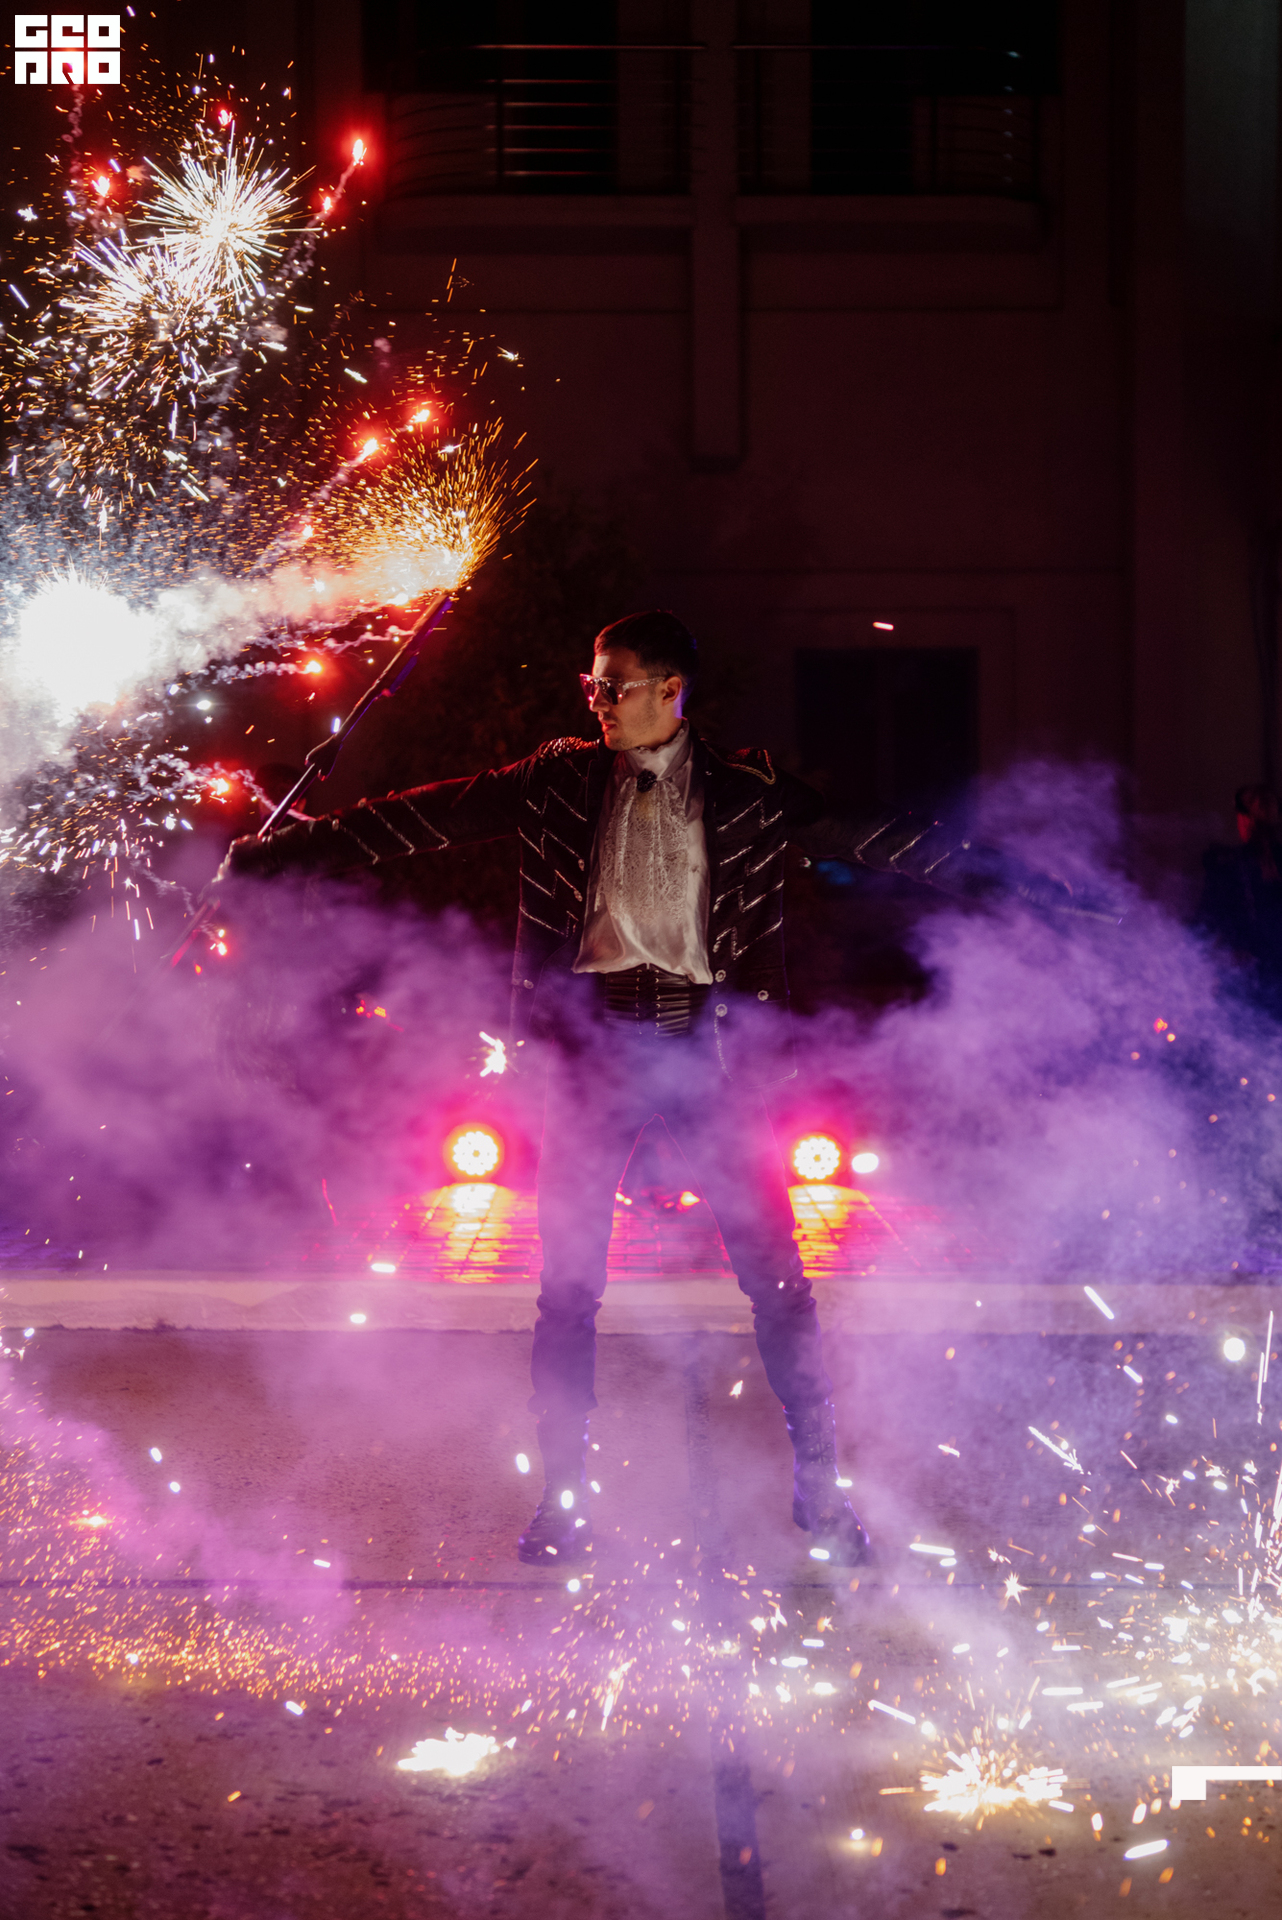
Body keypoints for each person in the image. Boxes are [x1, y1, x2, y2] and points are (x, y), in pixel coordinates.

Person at [219, 610, 1061, 1568]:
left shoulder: (746, 791)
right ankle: (562, 1503)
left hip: (713, 1055)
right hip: (595, 1050)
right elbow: (420, 819)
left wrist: (1031, 884)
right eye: (592, 685)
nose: (597, 701)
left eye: (613, 685)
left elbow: (882, 839)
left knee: (779, 1285)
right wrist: (281, 854)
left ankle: (821, 1494)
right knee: (567, 1292)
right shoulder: (555, 781)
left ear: (670, 690)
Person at [1196, 783, 1282, 1015]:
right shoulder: (1230, 864)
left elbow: (1207, 919)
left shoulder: (1230, 865)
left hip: (1254, 975)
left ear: (1244, 820)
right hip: (1253, 973)